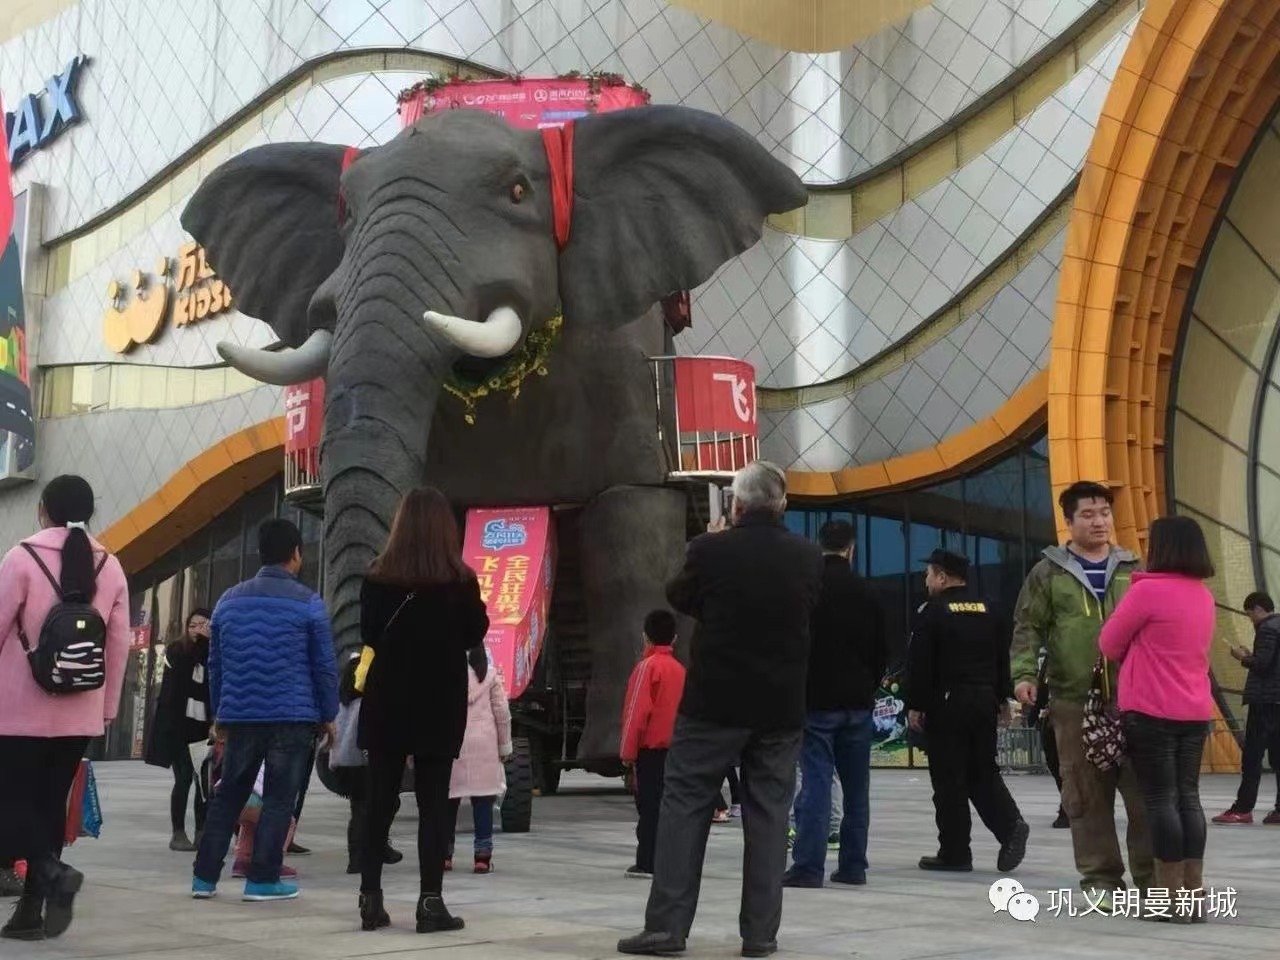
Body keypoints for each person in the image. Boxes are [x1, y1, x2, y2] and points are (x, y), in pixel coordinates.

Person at [618, 461, 824, 959]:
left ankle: (667, 928)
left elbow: (678, 594)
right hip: (779, 708)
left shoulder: (709, 550)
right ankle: (760, 935)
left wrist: (711, 541)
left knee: (684, 807)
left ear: (735, 506)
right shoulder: (808, 556)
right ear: (782, 505)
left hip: (713, 704)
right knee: (770, 816)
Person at [0, 475, 130, 940]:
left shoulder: (21, 557)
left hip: (16, 711)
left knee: (12, 804)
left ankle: (52, 875)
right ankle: (30, 912)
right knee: (50, 806)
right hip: (79, 711)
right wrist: (107, 707)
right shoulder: (110, 566)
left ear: (43, 510)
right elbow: (119, 645)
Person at [1011, 481, 1149, 909]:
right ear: (1068, 522)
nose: (1099, 521)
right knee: (1085, 795)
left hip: (1134, 699)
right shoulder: (1047, 573)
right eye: (1088, 514)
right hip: (1073, 700)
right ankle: (1101, 880)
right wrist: (1022, 675)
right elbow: (1027, 628)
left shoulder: (1135, 567)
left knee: (1145, 793)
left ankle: (1151, 877)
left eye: (1104, 512)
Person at [357, 487, 489, 934]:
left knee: (380, 800)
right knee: (435, 804)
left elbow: (369, 633)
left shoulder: (376, 577)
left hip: (387, 700)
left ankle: (370, 898)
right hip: (439, 701)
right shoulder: (460, 580)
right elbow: (475, 632)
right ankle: (430, 903)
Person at [191, 518, 339, 903]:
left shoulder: (228, 600)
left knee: (228, 797)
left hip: (240, 717)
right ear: (296, 554)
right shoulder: (309, 603)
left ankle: (204, 879)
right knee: (278, 799)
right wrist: (328, 714)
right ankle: (262, 879)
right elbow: (324, 666)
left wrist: (221, 715)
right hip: (292, 717)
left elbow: (216, 664)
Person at [1099, 515, 1216, 918]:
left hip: (1150, 710)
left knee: (1160, 800)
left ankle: (1169, 900)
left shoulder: (1146, 593)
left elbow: (1108, 643)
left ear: (1163, 548)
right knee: (1189, 798)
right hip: (1195, 710)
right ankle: (1193, 895)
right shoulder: (1203, 595)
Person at [906, 549, 1028, 873]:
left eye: (929, 575)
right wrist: (1002, 699)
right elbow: (1004, 657)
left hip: (948, 704)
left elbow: (921, 663)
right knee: (982, 772)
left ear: (942, 577)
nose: (927, 580)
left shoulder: (932, 611)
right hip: (984, 701)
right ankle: (1010, 826)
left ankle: (955, 852)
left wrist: (915, 704)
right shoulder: (990, 608)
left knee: (948, 780)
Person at [784, 519, 886, 889]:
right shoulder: (869, 592)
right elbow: (881, 653)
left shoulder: (806, 590)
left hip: (815, 703)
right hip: (858, 704)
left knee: (815, 784)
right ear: (851, 548)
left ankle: (808, 867)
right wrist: (866, 685)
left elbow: (793, 646)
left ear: (818, 546)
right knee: (858, 790)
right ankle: (853, 865)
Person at [620, 609, 686, 879]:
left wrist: (627, 752)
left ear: (645, 636)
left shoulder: (647, 668)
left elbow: (636, 713)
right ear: (675, 638)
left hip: (650, 750)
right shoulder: (681, 670)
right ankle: (671, 860)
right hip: (677, 751)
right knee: (672, 807)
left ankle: (646, 861)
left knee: (649, 807)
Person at [145, 608, 213, 852]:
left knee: (204, 783)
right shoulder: (177, 650)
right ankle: (178, 832)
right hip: (180, 729)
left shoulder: (216, 652)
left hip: (205, 729)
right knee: (183, 779)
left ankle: (202, 831)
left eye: (203, 624)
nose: (197, 629)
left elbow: (214, 681)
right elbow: (184, 674)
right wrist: (202, 643)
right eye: (193, 625)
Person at [1213, 592, 1280, 825]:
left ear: (1259, 609)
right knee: (1278, 757)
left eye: (1249, 613)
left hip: (1264, 702)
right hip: (1277, 701)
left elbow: (1262, 666)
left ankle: (1242, 808)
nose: (1250, 618)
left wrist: (1241, 657)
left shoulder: (1268, 628)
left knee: (1252, 758)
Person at [446, 646, 513, 875]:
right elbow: (502, 713)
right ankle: (482, 858)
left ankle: (444, 856)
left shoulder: (444, 676)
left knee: (448, 803)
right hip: (484, 745)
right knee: (483, 802)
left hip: (452, 743)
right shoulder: (490, 676)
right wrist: (504, 746)